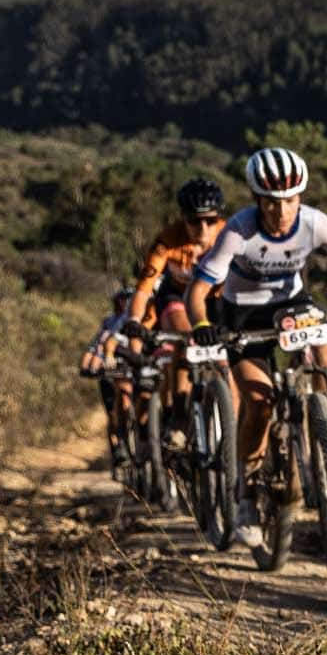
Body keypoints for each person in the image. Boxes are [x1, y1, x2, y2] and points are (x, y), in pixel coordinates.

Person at [184, 146, 327, 547]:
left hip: (291, 305)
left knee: (323, 330)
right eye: (271, 202)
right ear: (257, 200)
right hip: (242, 315)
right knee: (259, 403)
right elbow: (198, 291)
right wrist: (202, 324)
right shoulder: (238, 230)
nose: (281, 210)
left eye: (290, 200)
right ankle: (247, 495)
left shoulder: (317, 224)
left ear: (301, 196)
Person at [122, 176, 229, 424]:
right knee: (186, 337)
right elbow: (143, 289)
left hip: (217, 299)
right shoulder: (167, 241)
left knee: (228, 358)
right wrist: (135, 320)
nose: (203, 229)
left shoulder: (229, 235)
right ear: (183, 218)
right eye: (194, 221)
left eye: (210, 220)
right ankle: (179, 418)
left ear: (219, 218)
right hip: (176, 297)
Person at [80, 284, 141, 468]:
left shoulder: (146, 316)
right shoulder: (110, 324)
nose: (128, 302)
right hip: (115, 368)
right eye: (124, 299)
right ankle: (119, 444)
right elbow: (96, 348)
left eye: (131, 298)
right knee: (118, 406)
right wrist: (90, 365)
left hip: (137, 365)